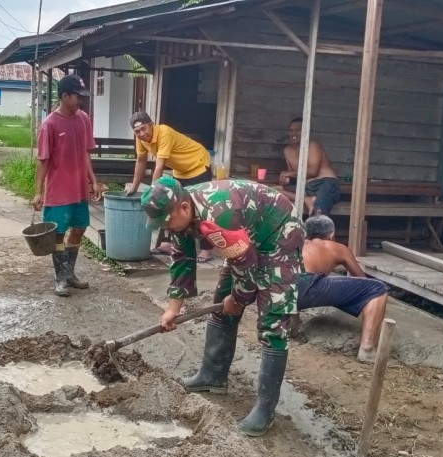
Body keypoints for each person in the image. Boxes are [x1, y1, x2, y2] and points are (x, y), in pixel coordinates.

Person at [141, 176, 304, 437]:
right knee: (221, 302)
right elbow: (182, 259)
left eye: (167, 220)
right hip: (244, 240)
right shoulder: (183, 214)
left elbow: (247, 264)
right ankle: (213, 375)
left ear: (183, 208)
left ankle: (265, 409)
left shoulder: (220, 216)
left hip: (277, 235)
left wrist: (238, 300)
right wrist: (173, 308)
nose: (167, 227)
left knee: (273, 321)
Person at [32, 74, 102, 297]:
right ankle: (60, 278)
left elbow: (86, 153)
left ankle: (69, 272)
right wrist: (38, 192)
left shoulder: (83, 119)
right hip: (58, 191)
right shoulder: (49, 125)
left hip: (79, 189)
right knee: (58, 234)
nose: (80, 101)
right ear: (65, 96)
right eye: (77, 97)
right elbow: (43, 160)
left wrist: (94, 181)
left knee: (80, 229)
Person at [293, 216, 389, 362]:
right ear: (331, 235)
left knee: (295, 281)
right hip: (307, 284)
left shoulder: (296, 243)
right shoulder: (336, 247)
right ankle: (367, 348)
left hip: (281, 288)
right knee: (377, 288)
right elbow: (361, 279)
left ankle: (292, 328)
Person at [125, 112, 214, 262]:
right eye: (137, 131)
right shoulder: (141, 139)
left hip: (198, 164)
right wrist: (134, 187)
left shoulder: (164, 132)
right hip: (180, 171)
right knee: (170, 205)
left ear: (152, 125)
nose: (141, 134)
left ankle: (206, 249)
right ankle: (169, 243)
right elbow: (141, 161)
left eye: (144, 129)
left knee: (198, 208)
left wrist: (153, 193)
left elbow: (159, 166)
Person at [278, 117, 340, 216]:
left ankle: (322, 230)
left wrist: (289, 173)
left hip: (325, 183)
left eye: (297, 130)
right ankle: (306, 199)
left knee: (319, 211)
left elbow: (313, 172)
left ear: (305, 132)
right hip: (306, 188)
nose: (294, 133)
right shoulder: (287, 151)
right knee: (272, 190)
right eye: (291, 130)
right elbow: (296, 176)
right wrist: (286, 178)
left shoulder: (313, 145)